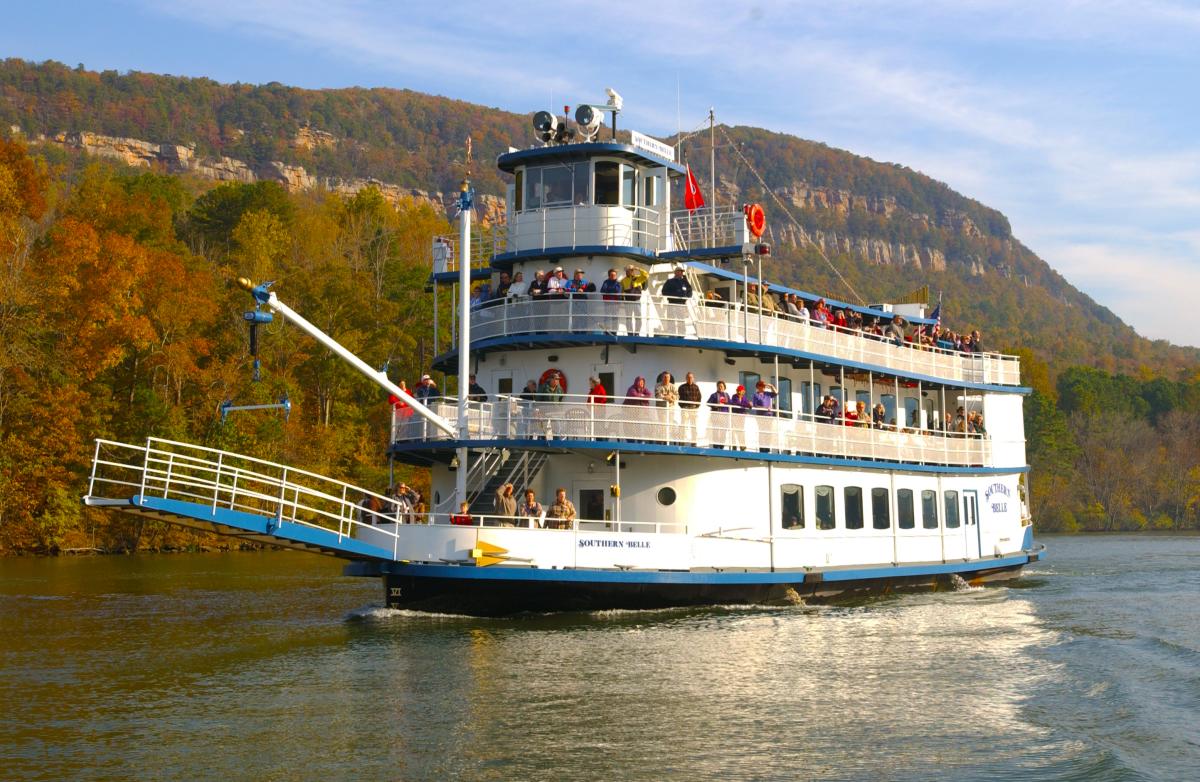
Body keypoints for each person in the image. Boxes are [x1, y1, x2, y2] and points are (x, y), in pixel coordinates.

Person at [677, 371, 701, 444]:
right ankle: (682, 442)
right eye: (688, 377)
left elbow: (699, 397)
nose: (690, 379)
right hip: (685, 408)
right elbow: (679, 398)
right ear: (686, 378)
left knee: (693, 426)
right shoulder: (682, 387)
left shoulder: (696, 387)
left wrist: (696, 406)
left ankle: (693, 442)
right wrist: (683, 406)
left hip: (693, 408)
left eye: (691, 377)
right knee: (683, 425)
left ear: (693, 378)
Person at [706, 380, 732, 448]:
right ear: (717, 387)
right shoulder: (714, 395)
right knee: (716, 432)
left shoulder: (727, 395)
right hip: (716, 416)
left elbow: (730, 404)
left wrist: (725, 404)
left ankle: (721, 447)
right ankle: (716, 447)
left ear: (724, 387)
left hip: (725, 416)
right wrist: (717, 405)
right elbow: (708, 403)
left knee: (723, 432)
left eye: (721, 386)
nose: (720, 387)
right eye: (719, 386)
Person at [728, 384, 752, 449]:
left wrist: (750, 405)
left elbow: (749, 406)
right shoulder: (734, 396)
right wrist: (745, 405)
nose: (739, 392)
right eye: (738, 390)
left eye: (740, 391)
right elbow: (735, 403)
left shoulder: (744, 398)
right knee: (734, 431)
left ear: (743, 391)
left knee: (741, 431)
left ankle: (742, 445)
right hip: (734, 416)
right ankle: (734, 445)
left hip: (741, 418)